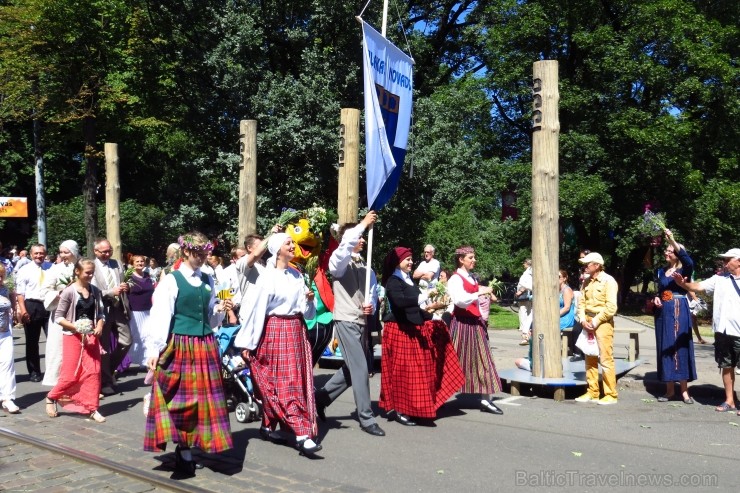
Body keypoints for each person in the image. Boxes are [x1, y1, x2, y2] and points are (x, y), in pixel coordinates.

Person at [143, 232, 233, 475]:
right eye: (198, 253)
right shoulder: (172, 281)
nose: (203, 257)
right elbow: (161, 315)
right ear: (185, 252)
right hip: (181, 345)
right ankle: (183, 448)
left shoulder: (207, 279)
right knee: (182, 400)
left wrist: (218, 309)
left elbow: (210, 316)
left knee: (204, 400)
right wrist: (154, 349)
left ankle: (194, 444)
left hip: (205, 345)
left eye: (205, 253)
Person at [235, 233, 321, 455]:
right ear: (276, 249)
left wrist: (309, 301)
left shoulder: (296, 275)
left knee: (296, 380)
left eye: (293, 243)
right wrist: (248, 343)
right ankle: (301, 433)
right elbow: (256, 311)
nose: (293, 246)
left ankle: (268, 424)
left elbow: (306, 312)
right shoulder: (267, 277)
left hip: (297, 331)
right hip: (275, 331)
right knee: (286, 382)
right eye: (288, 243)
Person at [314, 211, 386, 437]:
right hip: (345, 319)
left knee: (353, 367)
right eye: (359, 236)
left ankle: (319, 399)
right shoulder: (339, 260)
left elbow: (372, 291)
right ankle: (366, 417)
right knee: (362, 368)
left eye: (363, 236)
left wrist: (370, 305)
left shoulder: (365, 264)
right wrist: (363, 223)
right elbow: (346, 245)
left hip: (361, 320)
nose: (362, 239)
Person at [379, 247, 464, 425]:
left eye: (411, 259)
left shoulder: (408, 280)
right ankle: (402, 410)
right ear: (397, 262)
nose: (411, 262)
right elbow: (400, 303)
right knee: (404, 372)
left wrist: (433, 317)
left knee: (418, 370)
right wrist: (425, 295)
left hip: (412, 329)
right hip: (399, 329)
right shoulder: (393, 281)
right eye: (407, 259)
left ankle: (415, 407)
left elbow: (415, 308)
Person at [672, 248, 740, 413]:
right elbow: (698, 286)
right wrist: (682, 284)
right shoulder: (719, 278)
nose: (724, 263)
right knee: (726, 365)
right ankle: (729, 401)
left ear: (738, 261)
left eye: (727, 259)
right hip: (722, 330)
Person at [45, 259, 106, 423]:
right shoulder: (69, 292)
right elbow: (59, 317)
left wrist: (99, 326)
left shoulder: (95, 291)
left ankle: (92, 407)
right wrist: (75, 327)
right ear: (77, 272)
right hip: (73, 336)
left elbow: (101, 314)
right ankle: (52, 397)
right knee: (71, 374)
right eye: (87, 272)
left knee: (93, 371)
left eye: (92, 272)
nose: (90, 275)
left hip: (91, 337)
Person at [447, 246, 503, 415]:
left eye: (474, 257)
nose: (474, 260)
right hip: (461, 324)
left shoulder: (471, 278)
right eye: (470, 257)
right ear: (461, 259)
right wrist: (480, 292)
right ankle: (437, 396)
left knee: (484, 361)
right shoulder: (455, 279)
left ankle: (486, 400)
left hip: (475, 324)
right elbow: (460, 301)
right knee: (451, 362)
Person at [652, 230, 696, 404]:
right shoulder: (662, 271)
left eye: (670, 250)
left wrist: (671, 238)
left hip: (679, 309)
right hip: (663, 312)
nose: (666, 252)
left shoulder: (685, 268)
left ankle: (684, 391)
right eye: (666, 250)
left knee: (680, 346)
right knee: (666, 346)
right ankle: (669, 390)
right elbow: (660, 291)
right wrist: (656, 297)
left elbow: (688, 259)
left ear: (677, 254)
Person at [575, 252, 619, 405]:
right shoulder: (586, 281)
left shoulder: (609, 281)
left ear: (597, 265)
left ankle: (611, 394)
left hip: (603, 323)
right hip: (587, 322)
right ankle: (592, 392)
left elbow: (611, 307)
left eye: (588, 263)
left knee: (606, 359)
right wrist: (582, 319)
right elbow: (581, 303)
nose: (585, 266)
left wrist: (595, 321)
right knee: (589, 357)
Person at [91, 238, 132, 395]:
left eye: (109, 251)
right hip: (102, 310)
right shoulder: (91, 267)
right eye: (104, 252)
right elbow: (93, 291)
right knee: (105, 348)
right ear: (96, 252)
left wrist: (125, 287)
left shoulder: (117, 264)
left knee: (127, 341)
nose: (108, 254)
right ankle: (106, 381)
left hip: (119, 307)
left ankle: (108, 370)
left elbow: (122, 282)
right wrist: (110, 292)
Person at [40, 240, 80, 387]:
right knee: (58, 348)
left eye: (66, 252)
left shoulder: (82, 266)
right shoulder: (55, 269)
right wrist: (60, 293)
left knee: (79, 349)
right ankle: (58, 383)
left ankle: (79, 382)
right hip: (60, 314)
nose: (63, 255)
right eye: (61, 252)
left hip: (80, 314)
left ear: (74, 252)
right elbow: (44, 291)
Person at [15, 244, 52, 382]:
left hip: (49, 305)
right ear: (31, 254)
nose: (39, 256)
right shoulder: (24, 270)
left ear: (45, 254)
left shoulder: (51, 267)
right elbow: (20, 293)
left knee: (52, 340)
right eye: (36, 253)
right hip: (32, 305)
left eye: (41, 253)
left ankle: (52, 371)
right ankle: (34, 371)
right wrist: (23, 310)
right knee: (32, 341)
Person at [127, 255, 155, 368]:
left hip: (148, 310)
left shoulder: (148, 276)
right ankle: (131, 359)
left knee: (148, 335)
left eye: (142, 261)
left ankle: (145, 361)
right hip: (135, 310)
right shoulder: (129, 277)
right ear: (132, 264)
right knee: (136, 336)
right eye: (137, 261)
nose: (140, 263)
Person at [0, 264, 20, 414]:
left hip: (5, 333)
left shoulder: (6, 289)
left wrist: (16, 309)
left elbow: (12, 303)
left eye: (1, 276)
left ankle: (7, 397)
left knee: (7, 363)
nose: (0, 279)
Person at [515, 259, 533, 345]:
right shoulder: (528, 271)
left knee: (524, 311)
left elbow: (525, 284)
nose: (523, 264)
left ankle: (525, 330)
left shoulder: (529, 272)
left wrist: (520, 291)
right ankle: (526, 331)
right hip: (529, 296)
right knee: (529, 312)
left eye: (524, 263)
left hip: (525, 296)